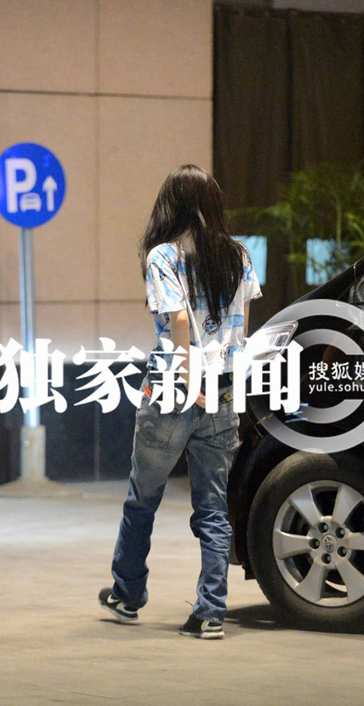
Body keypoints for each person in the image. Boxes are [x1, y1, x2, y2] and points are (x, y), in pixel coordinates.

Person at [99, 164, 262, 639]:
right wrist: (226, 385)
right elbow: (241, 327)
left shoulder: (164, 255)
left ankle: (128, 594)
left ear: (170, 205)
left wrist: (190, 384)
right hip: (223, 391)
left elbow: (180, 323)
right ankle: (211, 611)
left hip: (174, 389)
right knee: (213, 508)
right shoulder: (238, 254)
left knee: (142, 499)